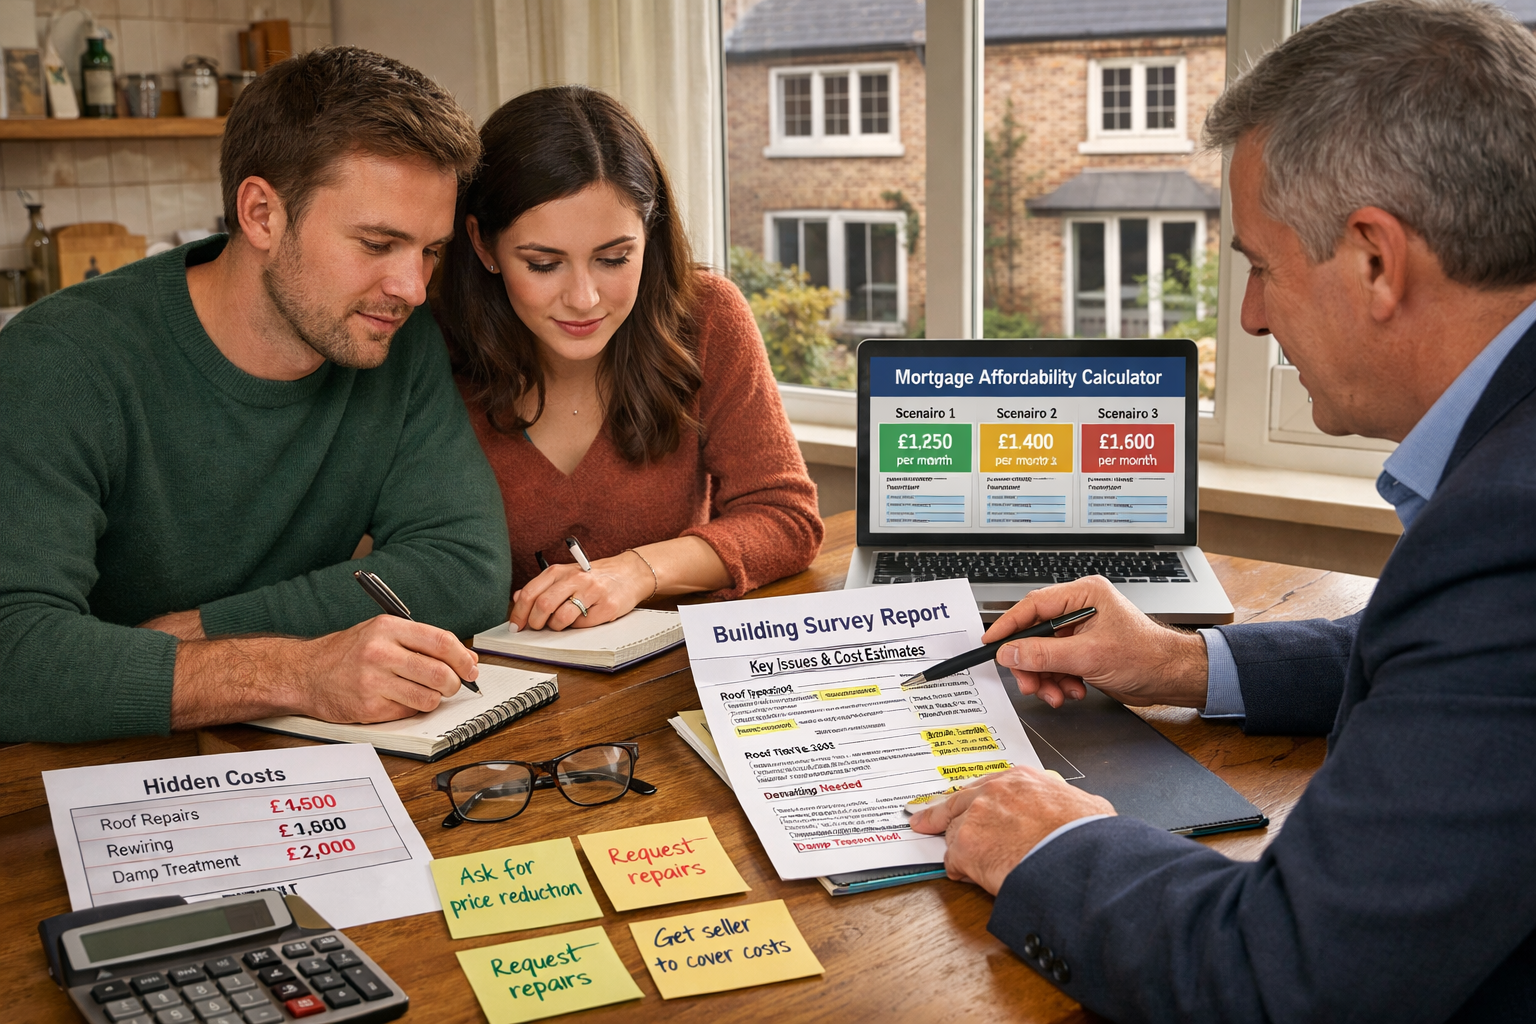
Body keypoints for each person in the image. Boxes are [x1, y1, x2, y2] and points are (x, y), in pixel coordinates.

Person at [909, 2, 1536, 1019]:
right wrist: (1183, 663)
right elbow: (1454, 661)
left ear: (1376, 259)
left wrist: (1057, 842)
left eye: (1259, 265)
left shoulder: (1509, 530)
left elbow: (1282, 981)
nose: (1249, 317)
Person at [0, 47, 512, 744]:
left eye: (429, 249)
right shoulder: (58, 362)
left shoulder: (392, 334)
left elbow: (466, 568)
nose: (413, 288)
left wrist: (212, 632)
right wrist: (292, 670)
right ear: (261, 213)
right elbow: (16, 654)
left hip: (288, 765)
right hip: (76, 783)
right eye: (376, 243)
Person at [437, 86, 823, 631]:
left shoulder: (708, 315)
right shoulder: (430, 344)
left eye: (614, 258)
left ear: (650, 235)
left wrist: (639, 571)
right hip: (496, 687)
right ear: (482, 245)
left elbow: (786, 520)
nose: (584, 298)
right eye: (544, 264)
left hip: (669, 675)